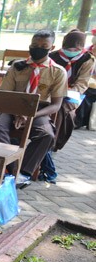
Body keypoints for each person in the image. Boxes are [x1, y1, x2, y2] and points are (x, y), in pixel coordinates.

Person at [0, 29, 66, 189]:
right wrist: (17, 112)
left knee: (46, 134)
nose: (38, 47)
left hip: (39, 110)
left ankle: (24, 173)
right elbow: (5, 95)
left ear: (52, 47)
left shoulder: (57, 72)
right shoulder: (17, 66)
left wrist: (30, 116)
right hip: (12, 106)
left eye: (43, 45)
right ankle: (10, 170)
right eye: (35, 45)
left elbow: (56, 105)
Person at [38, 29, 95, 183]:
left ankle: (51, 143)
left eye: (75, 49)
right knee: (48, 104)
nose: (71, 52)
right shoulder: (53, 55)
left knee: (63, 109)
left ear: (81, 48)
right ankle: (42, 137)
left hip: (71, 96)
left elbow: (82, 83)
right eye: (68, 48)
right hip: (50, 92)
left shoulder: (87, 59)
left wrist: (66, 92)